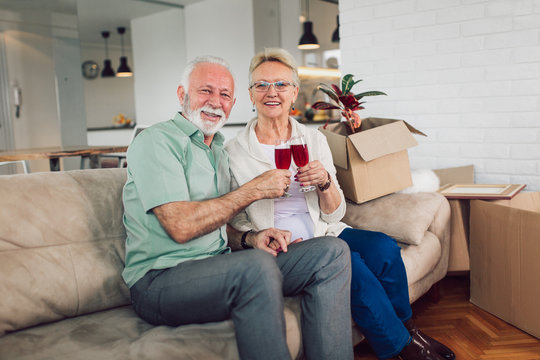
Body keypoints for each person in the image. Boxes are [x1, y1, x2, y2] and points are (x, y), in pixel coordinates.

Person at [225, 48, 456, 360]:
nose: (271, 92)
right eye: (261, 85)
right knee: (354, 268)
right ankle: (401, 349)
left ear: (294, 93)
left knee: (385, 248)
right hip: (283, 246)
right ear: (250, 95)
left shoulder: (313, 140)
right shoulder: (233, 152)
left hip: (325, 230)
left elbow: (335, 212)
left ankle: (407, 329)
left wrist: (324, 183)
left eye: (280, 84)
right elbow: (232, 218)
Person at [121, 55, 354, 360]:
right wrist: (252, 191)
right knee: (254, 266)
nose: (215, 102)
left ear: (233, 103)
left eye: (225, 95)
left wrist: (249, 239)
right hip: (160, 281)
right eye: (206, 91)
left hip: (219, 265)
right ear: (182, 95)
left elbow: (217, 222)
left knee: (330, 252)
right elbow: (181, 226)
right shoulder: (157, 141)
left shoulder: (217, 149)